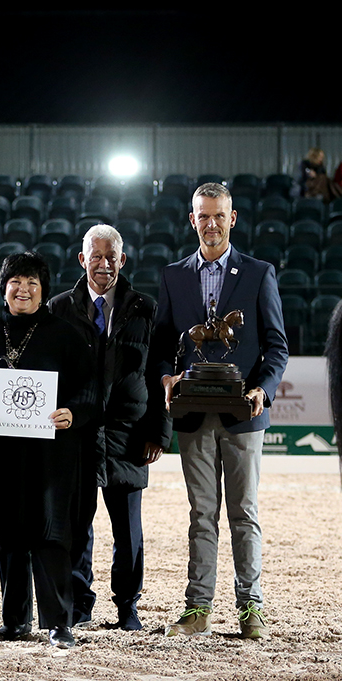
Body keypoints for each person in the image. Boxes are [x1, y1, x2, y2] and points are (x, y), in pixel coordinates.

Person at [153, 182, 288, 639]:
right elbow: (160, 347)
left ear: (233, 219)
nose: (211, 224)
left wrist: (262, 391)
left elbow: (277, 347)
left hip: (244, 414)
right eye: (202, 216)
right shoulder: (173, 276)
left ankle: (251, 607)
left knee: (244, 513)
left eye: (218, 215)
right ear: (192, 220)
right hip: (192, 414)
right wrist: (167, 377)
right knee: (201, 513)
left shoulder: (259, 273)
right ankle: (198, 608)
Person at [0, 252, 95, 649]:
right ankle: (15, 621)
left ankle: (58, 622)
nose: (24, 289)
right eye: (15, 282)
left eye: (32, 282)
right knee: (10, 538)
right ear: (4, 288)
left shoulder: (65, 335)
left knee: (51, 536)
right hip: (1, 458)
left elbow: (90, 391)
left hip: (52, 459)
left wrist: (73, 412)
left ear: (44, 290)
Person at [48, 225, 171, 631]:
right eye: (95, 256)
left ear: (123, 260)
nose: (104, 264)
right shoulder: (58, 308)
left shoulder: (146, 308)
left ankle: (127, 607)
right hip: (76, 434)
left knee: (129, 533)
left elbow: (161, 374)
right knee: (77, 528)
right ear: (82, 261)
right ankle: (79, 607)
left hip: (129, 434)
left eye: (111, 256)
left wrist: (159, 431)